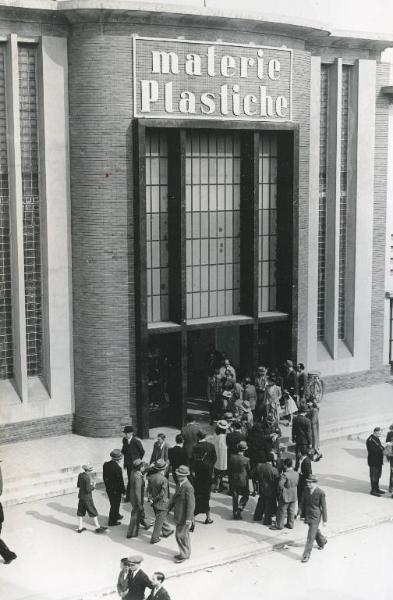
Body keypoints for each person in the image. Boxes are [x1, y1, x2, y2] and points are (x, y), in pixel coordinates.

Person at [167, 465, 195, 563]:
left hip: (184, 517)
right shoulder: (180, 484)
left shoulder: (188, 487)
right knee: (183, 535)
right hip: (179, 515)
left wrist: (189, 518)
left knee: (180, 535)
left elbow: (191, 504)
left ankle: (184, 555)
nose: (177, 476)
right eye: (177, 474)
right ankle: (184, 553)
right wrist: (169, 508)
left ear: (185, 475)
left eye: (179, 475)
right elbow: (175, 498)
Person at [298, 475, 327, 563]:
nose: (308, 484)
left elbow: (324, 507)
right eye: (307, 482)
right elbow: (302, 502)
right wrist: (299, 513)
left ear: (315, 483)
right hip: (308, 514)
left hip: (316, 516)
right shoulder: (305, 490)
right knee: (314, 531)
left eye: (310, 482)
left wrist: (325, 520)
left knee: (310, 536)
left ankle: (306, 555)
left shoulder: (321, 492)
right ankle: (322, 541)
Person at [190, 431, 217, 525]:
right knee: (206, 495)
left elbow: (192, 461)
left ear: (198, 437)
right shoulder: (210, 446)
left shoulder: (195, 447)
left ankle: (193, 518)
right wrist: (210, 466)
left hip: (197, 475)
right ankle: (208, 518)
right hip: (207, 474)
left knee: (197, 495)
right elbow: (214, 458)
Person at [147, 459, 174, 544]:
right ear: (164, 469)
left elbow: (149, 489)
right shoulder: (164, 479)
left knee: (161, 518)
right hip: (161, 503)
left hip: (154, 503)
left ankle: (167, 531)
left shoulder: (151, 477)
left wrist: (151, 499)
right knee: (158, 522)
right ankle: (154, 538)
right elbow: (162, 494)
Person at [76, 464, 107, 533]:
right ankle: (98, 527)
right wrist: (93, 485)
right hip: (87, 498)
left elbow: (78, 485)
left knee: (80, 512)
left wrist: (87, 485)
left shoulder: (80, 475)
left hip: (81, 496)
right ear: (89, 471)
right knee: (93, 511)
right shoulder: (87, 478)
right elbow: (88, 490)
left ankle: (80, 528)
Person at [271, 457, 299, 530]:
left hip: (286, 495)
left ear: (285, 465)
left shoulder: (285, 475)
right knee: (291, 511)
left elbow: (280, 485)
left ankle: (279, 526)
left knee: (281, 511)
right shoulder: (296, 473)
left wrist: (282, 491)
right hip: (294, 494)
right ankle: (290, 524)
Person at [253, 452, 279, 525]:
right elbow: (277, 481)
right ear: (272, 461)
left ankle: (257, 517)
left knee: (261, 501)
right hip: (270, 489)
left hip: (261, 487)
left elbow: (253, 475)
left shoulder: (259, 466)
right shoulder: (274, 470)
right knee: (268, 504)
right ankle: (267, 520)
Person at [127, 459, 151, 538]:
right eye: (142, 466)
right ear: (140, 467)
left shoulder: (133, 472)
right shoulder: (138, 478)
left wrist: (149, 468)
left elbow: (141, 472)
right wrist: (140, 503)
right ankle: (132, 532)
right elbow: (137, 492)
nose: (143, 467)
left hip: (132, 496)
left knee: (139, 512)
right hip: (137, 498)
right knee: (135, 514)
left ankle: (146, 524)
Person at [228, 440, 251, 520]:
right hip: (243, 479)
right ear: (245, 450)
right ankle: (240, 507)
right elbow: (248, 470)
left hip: (234, 478)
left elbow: (229, 469)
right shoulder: (246, 459)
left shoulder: (232, 457)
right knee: (246, 494)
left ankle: (235, 512)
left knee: (235, 495)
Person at [121, 426, 145, 502]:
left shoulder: (136, 441)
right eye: (124, 433)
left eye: (126, 433)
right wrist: (125, 462)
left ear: (131, 433)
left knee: (136, 481)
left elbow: (142, 452)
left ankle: (135, 497)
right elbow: (124, 451)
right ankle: (129, 497)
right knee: (130, 480)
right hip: (128, 465)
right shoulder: (124, 440)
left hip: (136, 465)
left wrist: (138, 461)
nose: (125, 435)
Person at [103, 449, 126, 526]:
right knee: (115, 505)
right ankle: (112, 521)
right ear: (119, 459)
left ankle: (116, 515)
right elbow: (120, 481)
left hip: (109, 489)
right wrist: (123, 491)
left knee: (113, 504)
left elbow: (104, 477)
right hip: (116, 491)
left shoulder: (105, 465)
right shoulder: (118, 468)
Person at [246, 422, 267, 496]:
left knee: (254, 475)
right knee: (261, 475)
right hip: (261, 459)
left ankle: (255, 490)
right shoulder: (262, 437)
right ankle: (260, 489)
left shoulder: (249, 436)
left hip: (253, 458)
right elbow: (266, 448)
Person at [366, 426, 385, 496]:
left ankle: (377, 489)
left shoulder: (376, 438)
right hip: (373, 461)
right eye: (379, 433)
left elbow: (379, 446)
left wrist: (385, 448)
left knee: (378, 475)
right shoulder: (370, 440)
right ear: (375, 432)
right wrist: (382, 450)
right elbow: (372, 450)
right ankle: (373, 490)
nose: (380, 435)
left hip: (378, 460)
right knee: (374, 476)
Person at [212, 420, 229, 493]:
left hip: (216, 454)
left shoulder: (215, 434)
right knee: (220, 473)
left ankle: (219, 484)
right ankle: (217, 487)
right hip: (222, 457)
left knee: (217, 471)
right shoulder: (224, 436)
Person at [385, 424, 393, 494]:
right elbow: (387, 444)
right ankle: (391, 487)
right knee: (392, 471)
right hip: (392, 456)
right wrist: (388, 456)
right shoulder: (389, 434)